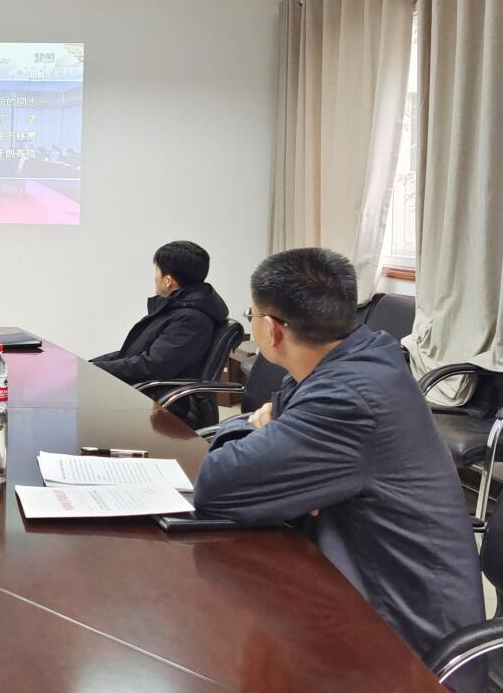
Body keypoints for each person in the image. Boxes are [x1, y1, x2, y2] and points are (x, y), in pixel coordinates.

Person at [194, 248, 484, 661]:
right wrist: (269, 439)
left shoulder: (349, 397)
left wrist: (264, 436)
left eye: (251, 314)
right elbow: (265, 443)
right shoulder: (360, 355)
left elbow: (217, 485)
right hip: (357, 585)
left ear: (271, 330)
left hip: (405, 644)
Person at [91, 240, 228, 428]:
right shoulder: (178, 308)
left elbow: (152, 365)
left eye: (157, 271)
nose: (155, 277)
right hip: (148, 393)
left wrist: (97, 370)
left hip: (165, 407)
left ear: (168, 280)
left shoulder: (191, 320)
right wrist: (92, 365)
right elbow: (134, 353)